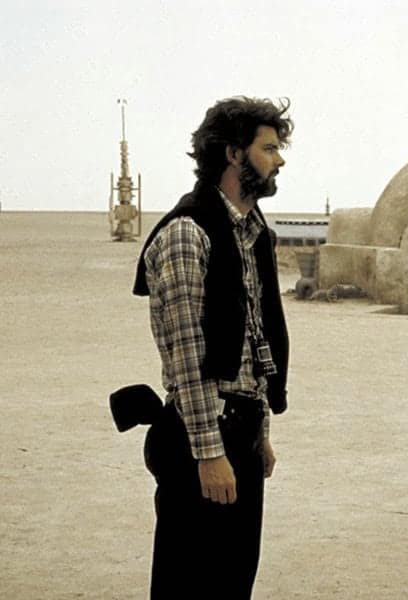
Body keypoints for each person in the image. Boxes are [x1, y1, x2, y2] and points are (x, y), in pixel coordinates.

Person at [132, 96, 293, 599]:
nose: (280, 160)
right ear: (232, 154)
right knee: (190, 583)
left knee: (232, 581)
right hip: (200, 438)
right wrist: (209, 453)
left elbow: (252, 345)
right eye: (268, 148)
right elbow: (189, 355)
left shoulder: (248, 234)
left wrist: (258, 430)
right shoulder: (188, 233)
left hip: (237, 434)